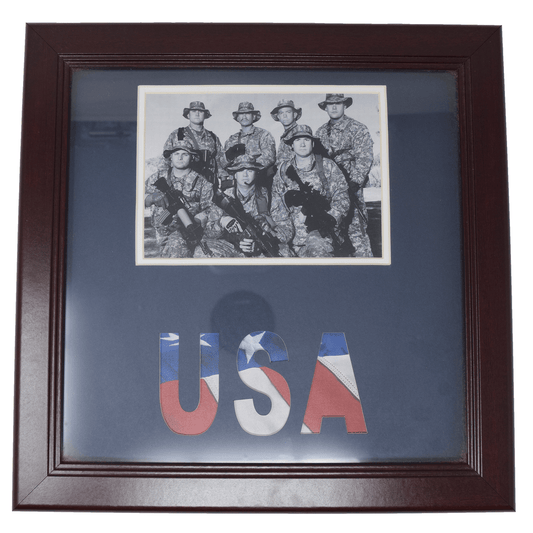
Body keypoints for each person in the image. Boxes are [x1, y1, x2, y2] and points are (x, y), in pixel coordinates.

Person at [145, 138, 236, 258]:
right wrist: (152, 197)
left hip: (193, 230)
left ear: (192, 157)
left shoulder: (202, 182)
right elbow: (138, 199)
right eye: (176, 154)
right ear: (171, 157)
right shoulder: (157, 177)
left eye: (185, 154)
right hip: (166, 235)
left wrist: (203, 217)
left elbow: (210, 208)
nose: (180, 157)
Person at [272, 125, 351, 258]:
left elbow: (342, 197)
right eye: (297, 140)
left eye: (306, 140)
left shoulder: (328, 166)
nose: (302, 144)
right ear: (292, 145)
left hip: (322, 235)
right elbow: (278, 206)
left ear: (313, 143)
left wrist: (329, 219)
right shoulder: (282, 171)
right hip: (292, 236)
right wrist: (284, 234)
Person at [315, 94, 374, 257]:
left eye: (338, 103)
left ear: (345, 106)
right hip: (328, 189)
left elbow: (365, 157)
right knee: (331, 229)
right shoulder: (320, 132)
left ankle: (366, 264)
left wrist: (354, 183)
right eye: (330, 104)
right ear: (325, 108)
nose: (334, 107)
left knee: (356, 230)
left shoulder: (358, 128)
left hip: (351, 186)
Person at [217, 154, 294, 258]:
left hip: (261, 248)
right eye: (240, 170)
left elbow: (287, 230)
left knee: (285, 255)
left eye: (250, 170)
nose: (245, 174)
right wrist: (221, 221)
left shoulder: (269, 197)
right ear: (234, 174)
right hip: (232, 246)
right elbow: (209, 230)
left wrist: (269, 233)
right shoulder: (224, 198)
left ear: (256, 173)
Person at [163, 101, 231, 191]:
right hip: (182, 186)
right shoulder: (177, 134)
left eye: (200, 111)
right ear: (188, 115)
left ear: (205, 115)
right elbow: (166, 160)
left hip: (208, 186)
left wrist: (224, 180)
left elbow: (219, 163)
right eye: (193, 111)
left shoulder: (213, 137)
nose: (197, 113)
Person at [223, 102, 276, 193]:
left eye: (247, 113)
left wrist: (250, 165)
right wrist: (229, 156)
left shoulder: (264, 135)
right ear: (237, 118)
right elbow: (222, 163)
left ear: (253, 116)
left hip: (259, 182)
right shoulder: (232, 139)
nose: (244, 116)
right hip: (237, 186)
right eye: (241, 114)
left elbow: (270, 157)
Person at [270, 99, 302, 165]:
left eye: (288, 112)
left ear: (295, 114)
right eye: (281, 113)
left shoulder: (300, 133)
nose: (284, 116)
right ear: (278, 116)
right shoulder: (285, 135)